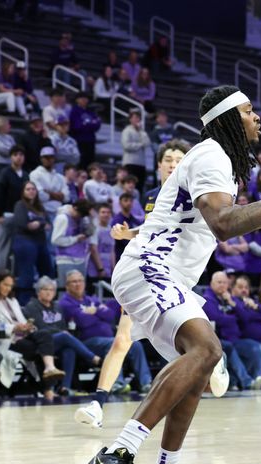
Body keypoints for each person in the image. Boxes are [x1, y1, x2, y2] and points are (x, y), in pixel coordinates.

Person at [84, 84, 261, 464]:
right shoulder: (212, 155)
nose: (257, 117)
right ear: (229, 118)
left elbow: (235, 216)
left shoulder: (221, 160)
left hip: (165, 276)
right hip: (151, 267)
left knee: (198, 364)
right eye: (248, 111)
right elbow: (225, 225)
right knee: (207, 350)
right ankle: (117, 454)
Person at [75, 140, 190, 429]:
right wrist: (128, 234)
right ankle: (97, 404)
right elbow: (151, 231)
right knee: (122, 340)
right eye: (168, 159)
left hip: (174, 276)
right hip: (145, 275)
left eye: (179, 160)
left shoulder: (191, 194)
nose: (173, 164)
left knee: (184, 345)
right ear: (159, 164)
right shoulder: (152, 197)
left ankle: (188, 397)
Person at [0, 271, 64, 400]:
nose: (8, 288)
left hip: (22, 336)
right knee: (38, 349)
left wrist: (28, 327)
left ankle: (49, 368)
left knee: (44, 334)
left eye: (10, 286)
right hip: (6, 339)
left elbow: (22, 321)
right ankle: (47, 388)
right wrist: (13, 328)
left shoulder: (12, 300)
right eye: (5, 285)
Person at [23, 276, 101, 395]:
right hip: (40, 343)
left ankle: (65, 388)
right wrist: (59, 332)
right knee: (64, 336)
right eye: (45, 289)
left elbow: (63, 327)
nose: (49, 292)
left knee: (69, 349)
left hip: (58, 341)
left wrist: (60, 332)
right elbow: (41, 328)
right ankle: (93, 358)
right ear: (38, 291)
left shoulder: (57, 307)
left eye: (51, 290)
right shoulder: (32, 306)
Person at [12, 181, 54, 304]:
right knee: (27, 275)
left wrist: (38, 223)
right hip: (24, 241)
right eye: (28, 189)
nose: (31, 191)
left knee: (48, 272)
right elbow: (23, 224)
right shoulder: (20, 205)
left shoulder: (40, 207)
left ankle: (46, 300)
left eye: (33, 189)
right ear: (23, 192)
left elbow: (48, 225)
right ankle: (23, 303)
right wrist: (40, 224)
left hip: (40, 241)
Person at [30, 146, 69, 221]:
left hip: (59, 212)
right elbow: (41, 196)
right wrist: (59, 195)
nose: (48, 160)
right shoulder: (35, 174)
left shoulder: (60, 177)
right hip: (43, 211)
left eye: (51, 157)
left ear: (54, 159)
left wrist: (48, 193)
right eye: (46, 157)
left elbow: (66, 197)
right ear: (41, 159)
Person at [121, 109, 150, 192]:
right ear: (130, 119)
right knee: (130, 185)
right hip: (130, 162)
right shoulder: (127, 131)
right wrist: (140, 145)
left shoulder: (142, 132)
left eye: (138, 118)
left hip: (141, 163)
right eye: (134, 118)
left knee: (140, 186)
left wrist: (141, 131)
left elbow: (147, 143)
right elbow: (126, 146)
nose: (137, 120)